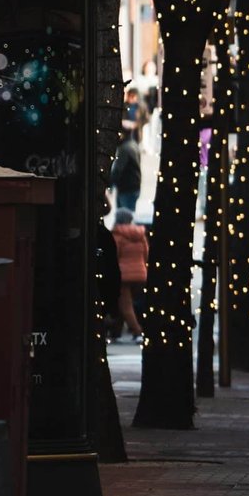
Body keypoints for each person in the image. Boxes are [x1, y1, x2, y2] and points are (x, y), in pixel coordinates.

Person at [111, 208, 147, 344]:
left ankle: (138, 332)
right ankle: (116, 332)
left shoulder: (116, 236)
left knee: (125, 306)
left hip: (123, 275)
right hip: (141, 274)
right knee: (124, 303)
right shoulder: (140, 235)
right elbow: (146, 254)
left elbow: (113, 257)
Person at [111, 131, 143, 213]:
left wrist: (110, 184)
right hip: (134, 186)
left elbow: (118, 170)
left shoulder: (124, 149)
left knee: (124, 216)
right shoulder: (134, 145)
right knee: (129, 214)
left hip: (126, 188)